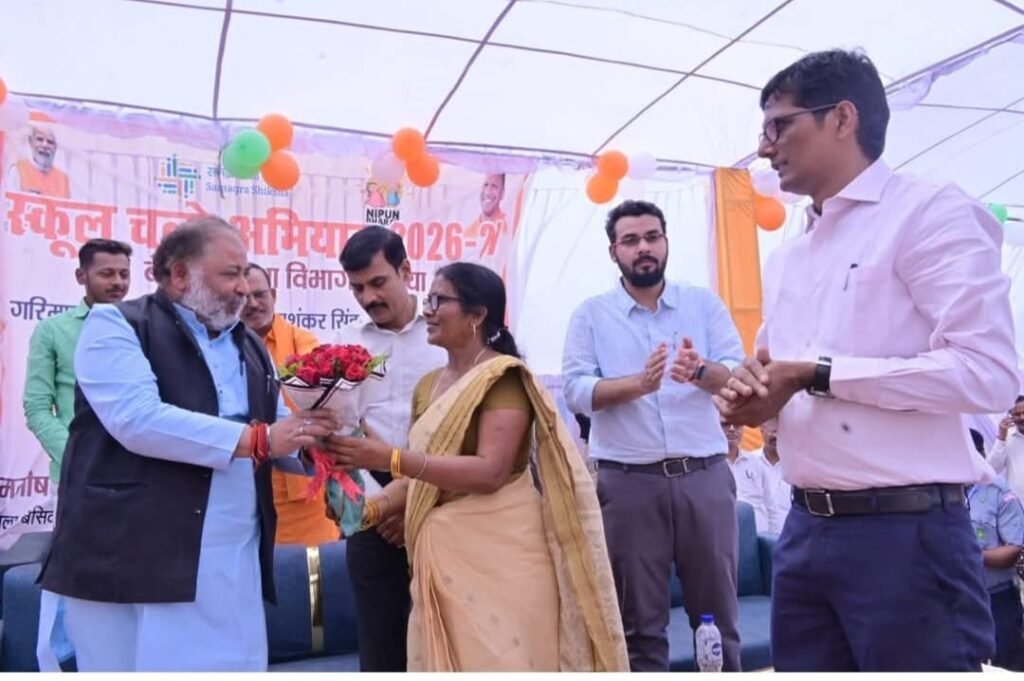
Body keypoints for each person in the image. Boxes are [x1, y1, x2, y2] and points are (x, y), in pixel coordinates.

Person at [714, 49, 1018, 671]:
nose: (764, 148)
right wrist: (757, 395)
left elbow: (989, 373)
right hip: (804, 529)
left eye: (779, 126)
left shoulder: (929, 213)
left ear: (842, 118)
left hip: (907, 538)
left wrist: (819, 375)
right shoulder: (789, 255)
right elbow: (777, 369)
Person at [38, 216, 338, 671]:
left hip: (231, 558)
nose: (244, 288)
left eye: (245, 274)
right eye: (231, 274)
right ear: (180, 275)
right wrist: (257, 439)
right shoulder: (116, 325)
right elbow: (137, 419)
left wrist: (315, 448)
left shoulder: (250, 345)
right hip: (133, 551)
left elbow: (277, 423)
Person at [325, 262, 628, 671]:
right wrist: (366, 511)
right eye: (428, 300)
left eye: (439, 301)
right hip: (444, 565)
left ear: (477, 314)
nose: (428, 310)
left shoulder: (504, 378)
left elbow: (490, 472)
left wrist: (390, 458)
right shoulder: (428, 385)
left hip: (504, 560)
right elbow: (423, 477)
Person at [562, 199, 745, 671]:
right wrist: (638, 385)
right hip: (629, 484)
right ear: (613, 252)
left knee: (718, 621)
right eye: (630, 240)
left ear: (665, 242)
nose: (643, 247)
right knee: (639, 626)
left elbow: (736, 373)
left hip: (704, 477)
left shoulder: (702, 304)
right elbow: (576, 390)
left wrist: (700, 370)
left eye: (651, 237)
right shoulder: (591, 315)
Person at [331, 225, 446, 672]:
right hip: (371, 514)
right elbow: (334, 433)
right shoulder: (343, 344)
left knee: (445, 643)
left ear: (406, 270)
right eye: (357, 288)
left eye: (378, 282)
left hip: (442, 503)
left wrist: (412, 498)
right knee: (381, 648)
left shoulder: (447, 334)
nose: (368, 297)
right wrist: (381, 507)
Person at [22, 238, 132, 671]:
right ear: (81, 276)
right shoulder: (53, 331)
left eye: (124, 274)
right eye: (107, 273)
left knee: (129, 584)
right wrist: (77, 458)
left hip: (137, 479)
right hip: (76, 480)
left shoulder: (141, 327)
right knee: (76, 585)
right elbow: (36, 407)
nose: (117, 282)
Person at [241, 263, 338, 546]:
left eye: (260, 295)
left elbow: (316, 393)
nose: (253, 304)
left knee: (310, 569)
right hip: (242, 485)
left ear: (273, 294)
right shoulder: (223, 348)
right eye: (244, 296)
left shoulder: (301, 342)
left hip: (299, 489)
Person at [968, 428, 1024, 671]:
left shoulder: (999, 494)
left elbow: (1013, 550)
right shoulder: (938, 496)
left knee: (1009, 663)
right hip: (955, 598)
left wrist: (968, 556)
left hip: (997, 596)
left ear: (980, 454)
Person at [723, 422, 775, 534]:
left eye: (737, 425)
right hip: (726, 535)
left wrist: (772, 537)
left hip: (758, 536)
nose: (732, 429)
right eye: (726, 425)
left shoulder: (756, 463)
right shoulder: (711, 467)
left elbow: (771, 507)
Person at [6, 125, 70, 198]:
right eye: (40, 139)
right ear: (30, 141)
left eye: (50, 142)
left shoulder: (63, 179)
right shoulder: (18, 170)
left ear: (55, 147)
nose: (45, 145)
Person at [756, 423, 790, 535]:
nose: (775, 435)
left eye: (779, 431)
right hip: (756, 536)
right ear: (761, 430)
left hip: (789, 536)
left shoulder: (795, 467)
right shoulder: (749, 462)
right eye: (772, 430)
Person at [990, 396, 1024, 500]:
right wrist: (1001, 439)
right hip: (1018, 505)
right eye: (1017, 414)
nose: (1022, 417)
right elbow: (992, 469)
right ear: (1010, 416)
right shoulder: (1006, 437)